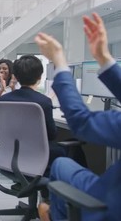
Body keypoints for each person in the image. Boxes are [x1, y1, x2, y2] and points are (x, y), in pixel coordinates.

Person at [35, 12, 121, 221]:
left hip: (108, 204)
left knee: (61, 164)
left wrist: (59, 62)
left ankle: (56, 216)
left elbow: (81, 121)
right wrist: (104, 59)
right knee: (63, 161)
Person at [0, 55, 66, 166]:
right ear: (40, 77)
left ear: (15, 76)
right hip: (39, 157)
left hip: (10, 155)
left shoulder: (3, 100)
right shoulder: (44, 102)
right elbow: (52, 134)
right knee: (74, 150)